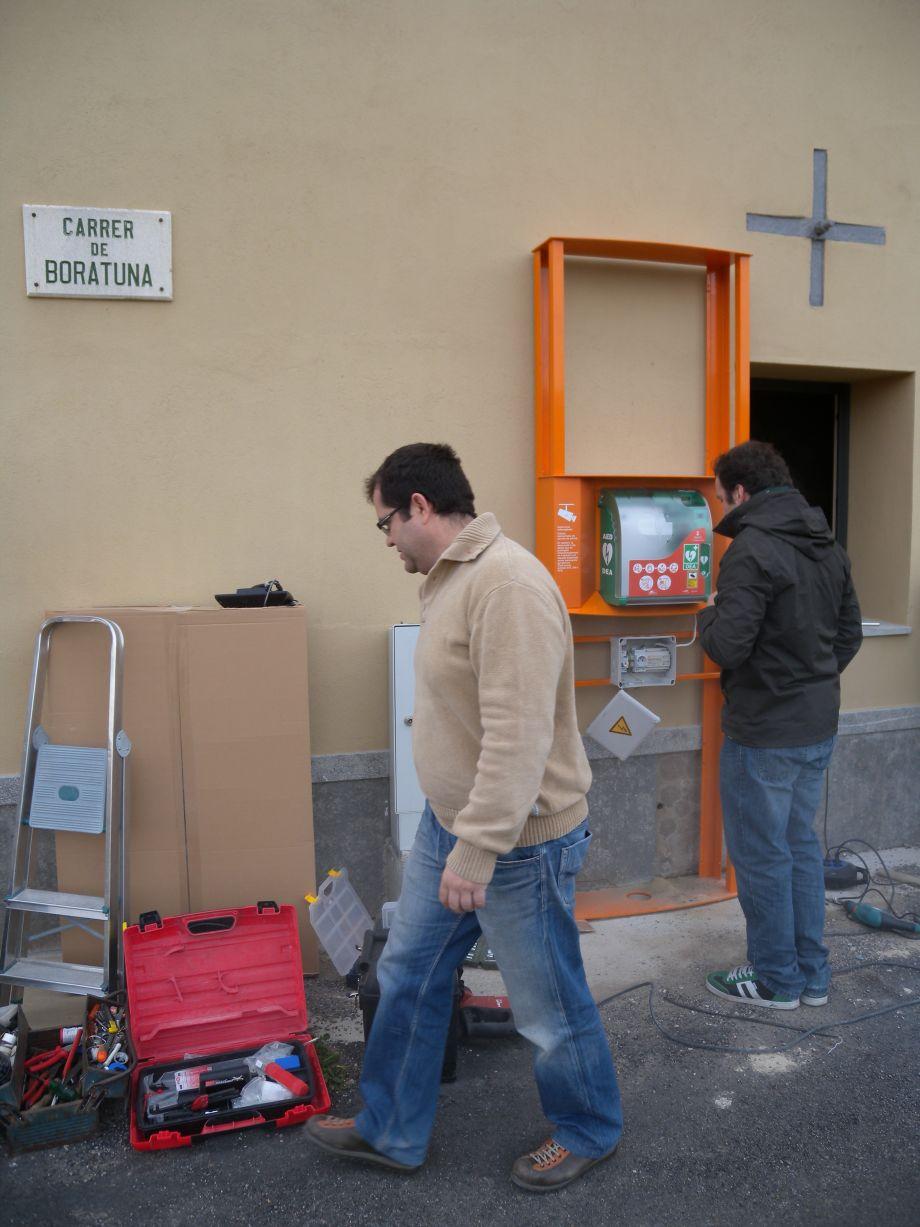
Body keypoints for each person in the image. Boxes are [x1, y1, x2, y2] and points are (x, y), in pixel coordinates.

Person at [305, 442, 622, 1191]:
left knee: (547, 1005)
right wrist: (458, 831)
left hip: (518, 844)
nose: (386, 540)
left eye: (385, 522)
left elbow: (518, 735)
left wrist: (477, 850)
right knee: (407, 974)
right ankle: (390, 1129)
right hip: (453, 825)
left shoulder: (506, 585)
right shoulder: (451, 579)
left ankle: (588, 1128)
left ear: (419, 507)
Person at [697, 440, 862, 1010]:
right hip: (816, 727)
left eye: (722, 499)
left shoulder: (752, 550)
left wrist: (707, 611)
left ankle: (774, 980)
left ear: (741, 492)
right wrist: (807, 683)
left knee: (763, 858)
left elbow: (728, 646)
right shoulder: (827, 544)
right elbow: (849, 635)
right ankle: (811, 977)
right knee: (799, 850)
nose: (722, 510)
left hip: (764, 734)